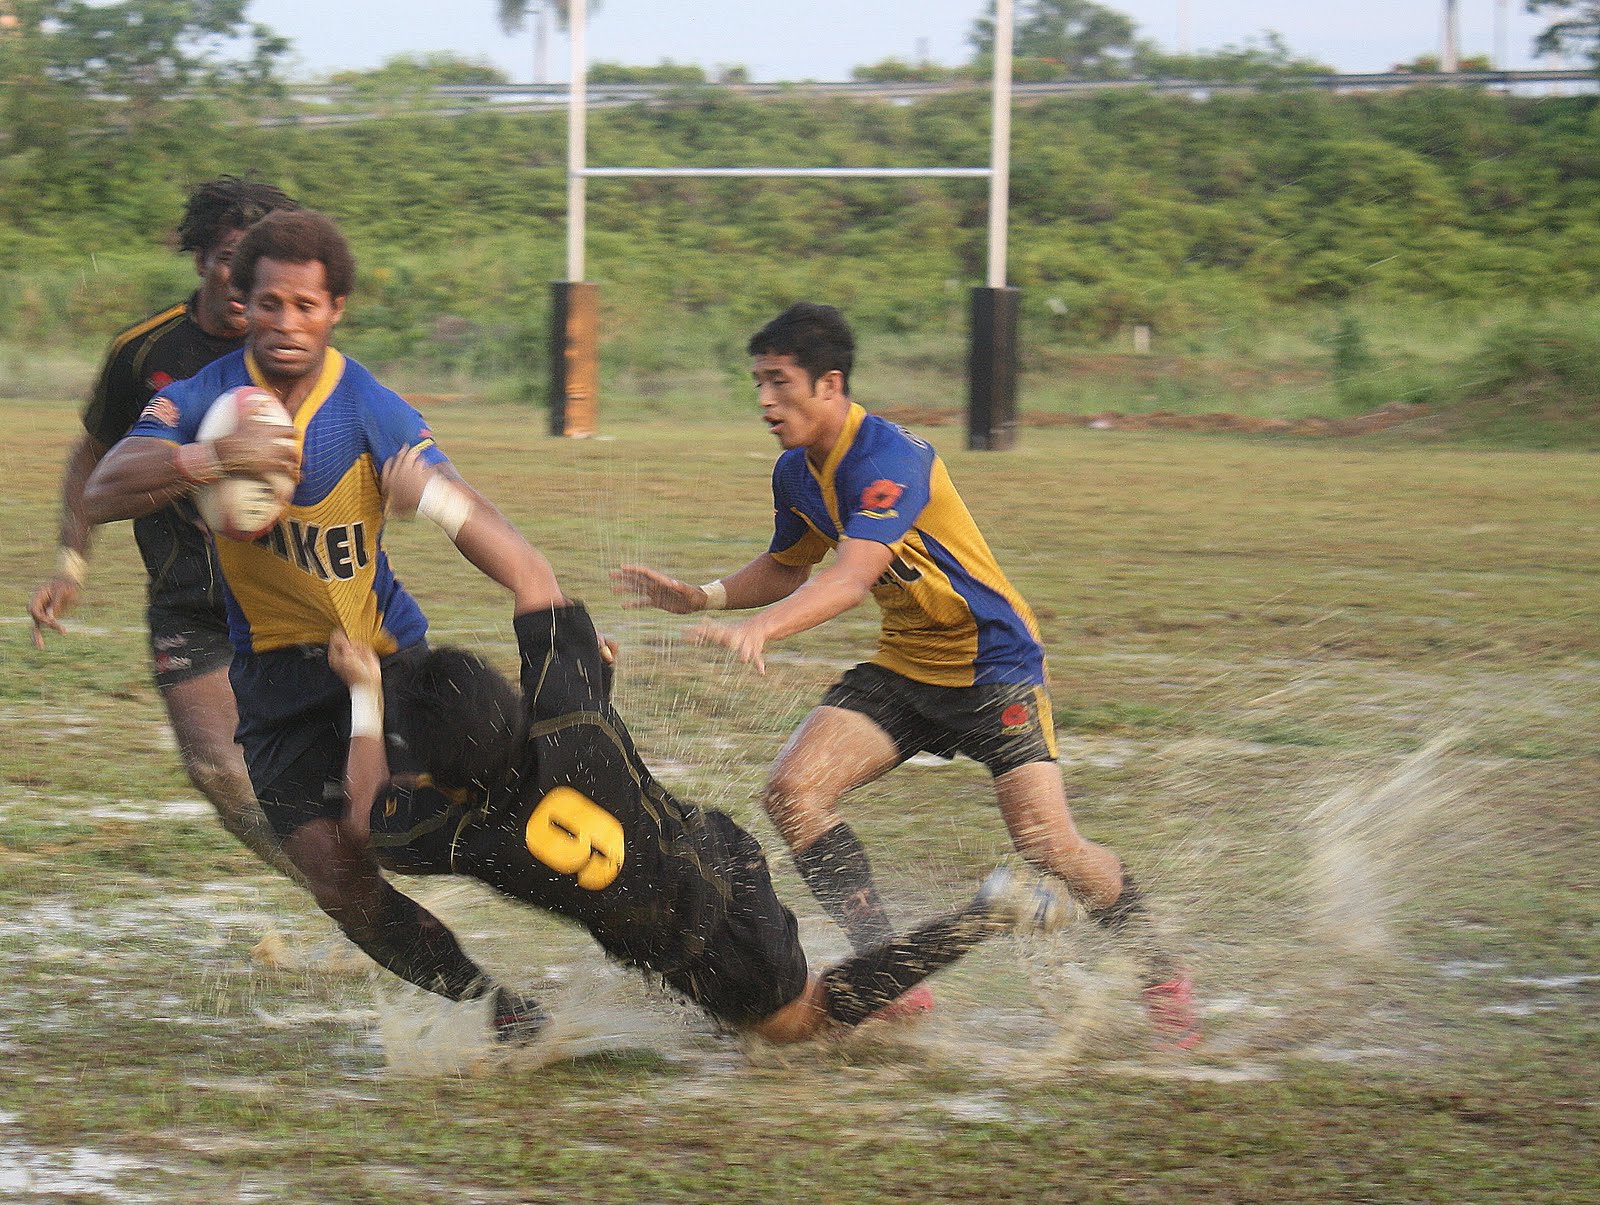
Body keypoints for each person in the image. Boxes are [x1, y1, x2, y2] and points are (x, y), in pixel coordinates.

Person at [324, 445, 1071, 1044]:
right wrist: (433, 495)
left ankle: (984, 913)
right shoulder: (568, 719)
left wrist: (364, 694)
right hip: (720, 852)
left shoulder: (468, 837)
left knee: (800, 1023)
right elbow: (530, 574)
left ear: (435, 777)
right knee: (726, 1008)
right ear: (510, 702)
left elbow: (360, 821)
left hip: (704, 945)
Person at [612, 302, 1198, 1049]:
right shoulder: (797, 471)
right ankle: (893, 975)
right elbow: (790, 563)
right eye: (757, 382)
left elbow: (853, 576)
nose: (764, 400)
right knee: (794, 791)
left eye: (778, 382)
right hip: (907, 663)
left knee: (1049, 846)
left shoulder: (890, 458)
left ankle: (1159, 972)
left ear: (830, 383)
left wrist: (765, 627)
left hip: (992, 663)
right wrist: (708, 596)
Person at [82, 209, 547, 1040]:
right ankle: (501, 1011)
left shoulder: (368, 406)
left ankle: (635, 917)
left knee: (441, 828)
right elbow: (105, 486)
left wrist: (543, 605)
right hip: (275, 685)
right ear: (243, 302)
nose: (286, 324)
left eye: (305, 305)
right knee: (339, 880)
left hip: (387, 657)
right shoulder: (202, 397)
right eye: (270, 304)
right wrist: (211, 459)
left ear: (335, 309)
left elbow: (474, 514)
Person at [29, 177, 301, 879]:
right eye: (228, 260)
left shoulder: (297, 350)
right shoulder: (143, 352)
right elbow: (92, 455)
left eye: (259, 267)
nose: (242, 281)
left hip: (292, 592)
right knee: (221, 772)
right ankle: (345, 900)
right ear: (201, 260)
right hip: (190, 599)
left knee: (343, 762)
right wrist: (71, 562)